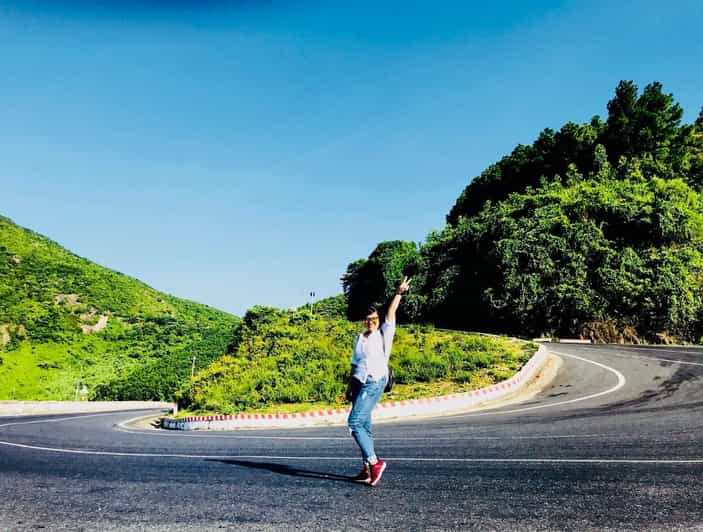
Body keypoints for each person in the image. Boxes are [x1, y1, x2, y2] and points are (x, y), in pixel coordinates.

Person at [346, 275, 412, 487]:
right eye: (368, 319)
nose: (371, 322)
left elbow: (391, 312)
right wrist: (350, 386)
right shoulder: (360, 338)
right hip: (359, 383)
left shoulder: (384, 334)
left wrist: (399, 293)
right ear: (363, 320)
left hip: (375, 381)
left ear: (378, 319)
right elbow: (355, 363)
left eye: (374, 319)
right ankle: (366, 468)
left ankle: (375, 463)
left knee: (354, 422)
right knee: (364, 425)